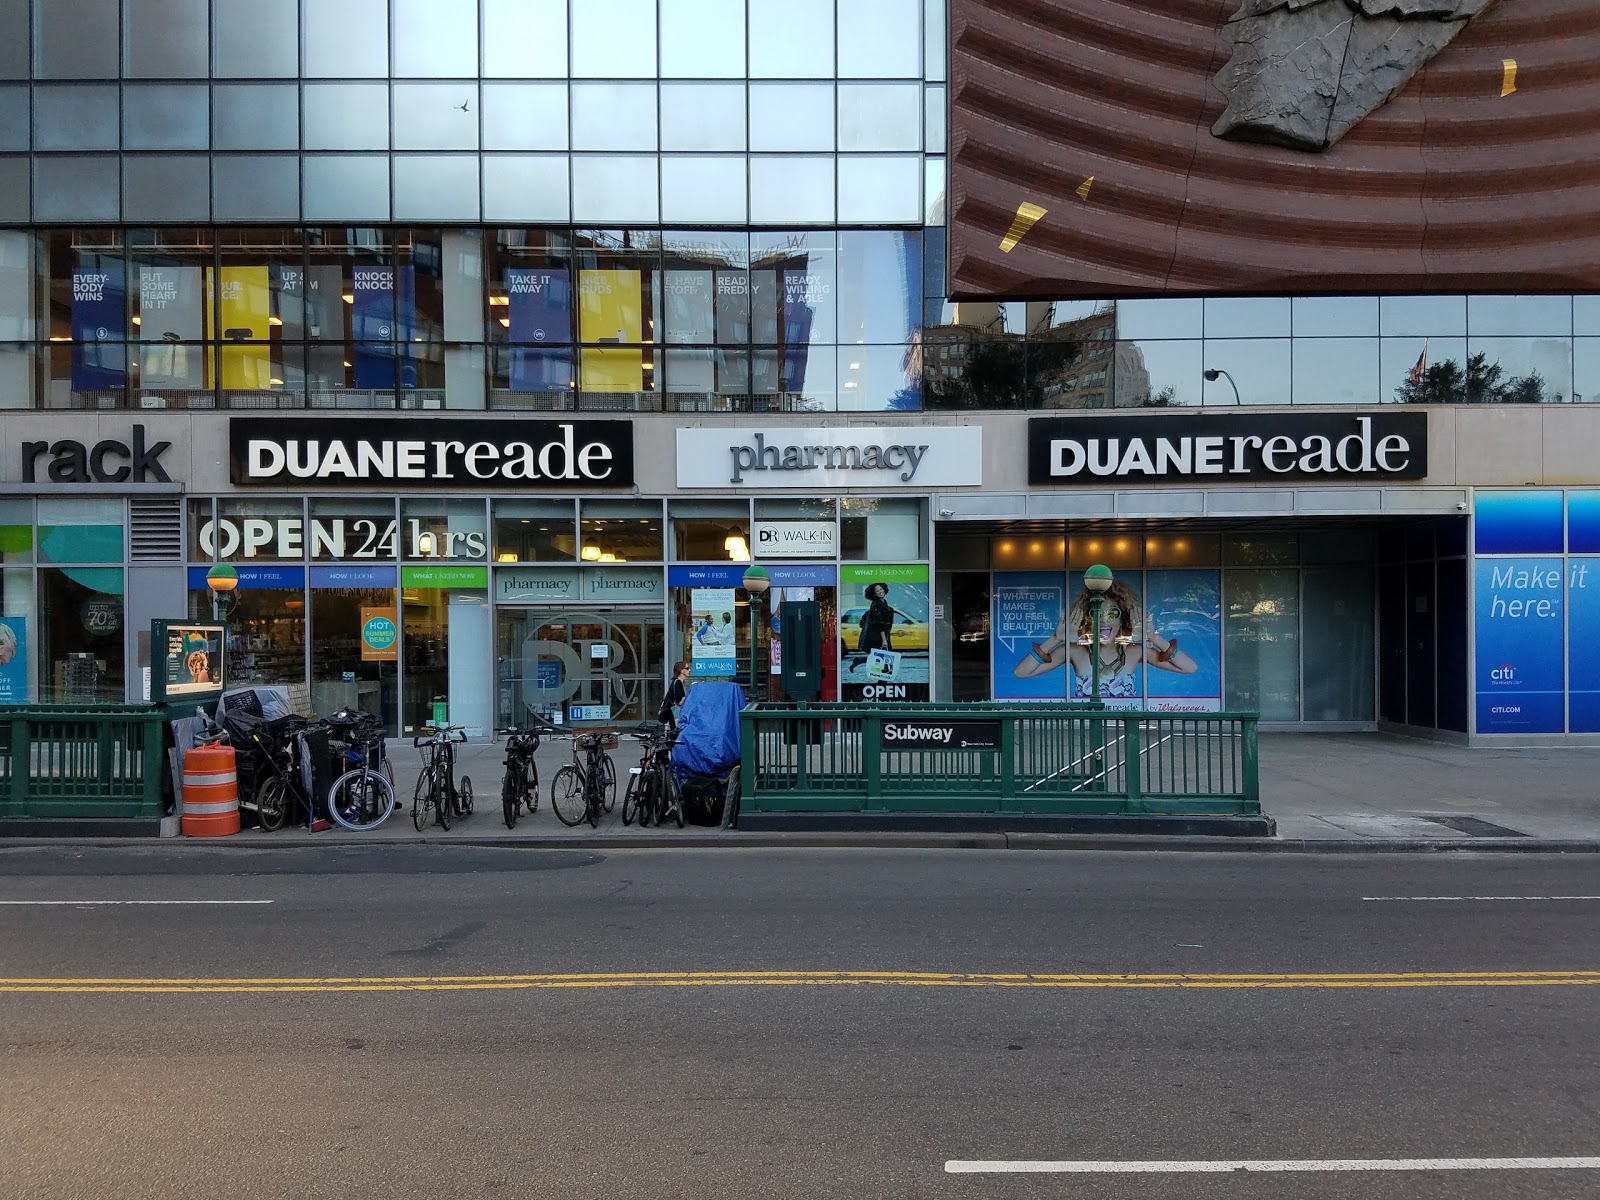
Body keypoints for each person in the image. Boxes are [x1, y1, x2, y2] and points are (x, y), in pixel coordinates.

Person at [1012, 578, 1195, 697]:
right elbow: (1021, 672)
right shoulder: (1075, 651)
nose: (1103, 622)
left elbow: (1189, 667)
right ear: (1087, 619)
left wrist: (1154, 638)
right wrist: (1055, 639)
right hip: (1086, 732)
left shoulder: (1135, 652)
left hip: (1123, 733)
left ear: (1122, 619)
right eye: (1096, 614)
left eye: (1111, 614)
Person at [849, 582, 895, 670]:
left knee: (882, 658)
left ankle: (858, 661)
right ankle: (881, 680)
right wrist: (884, 640)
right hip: (877, 636)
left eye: (881, 589)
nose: (880, 591)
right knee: (882, 658)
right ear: (874, 594)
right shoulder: (876, 604)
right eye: (877, 591)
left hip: (882, 635)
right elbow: (879, 623)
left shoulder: (883, 601)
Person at [657, 660, 690, 726]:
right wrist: (688, 697)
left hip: (671, 712)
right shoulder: (677, 683)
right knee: (675, 731)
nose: (689, 670)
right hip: (674, 713)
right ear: (681, 670)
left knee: (674, 731)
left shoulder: (678, 682)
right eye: (687, 668)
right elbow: (679, 701)